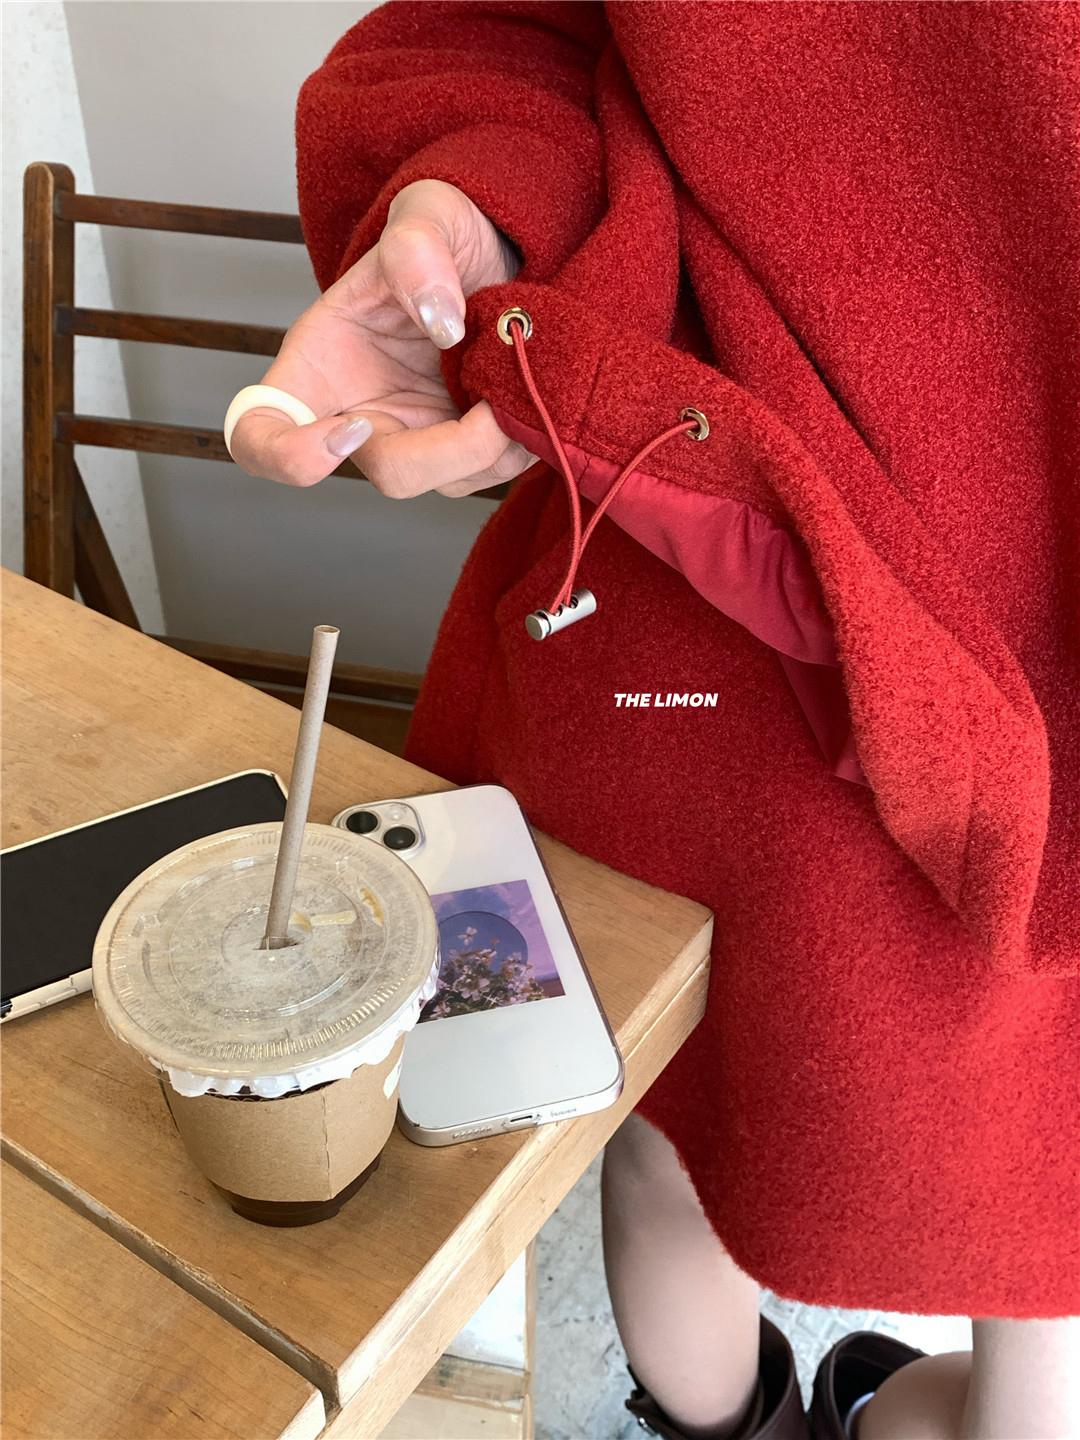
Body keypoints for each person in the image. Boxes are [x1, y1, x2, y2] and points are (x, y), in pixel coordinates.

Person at [227, 5, 1080, 1437]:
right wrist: (484, 223)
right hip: (725, 612)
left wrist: (488, 208)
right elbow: (521, 33)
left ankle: (741, 1429)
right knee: (1041, 1212)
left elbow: (515, 33)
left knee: (665, 1124)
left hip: (676, 640)